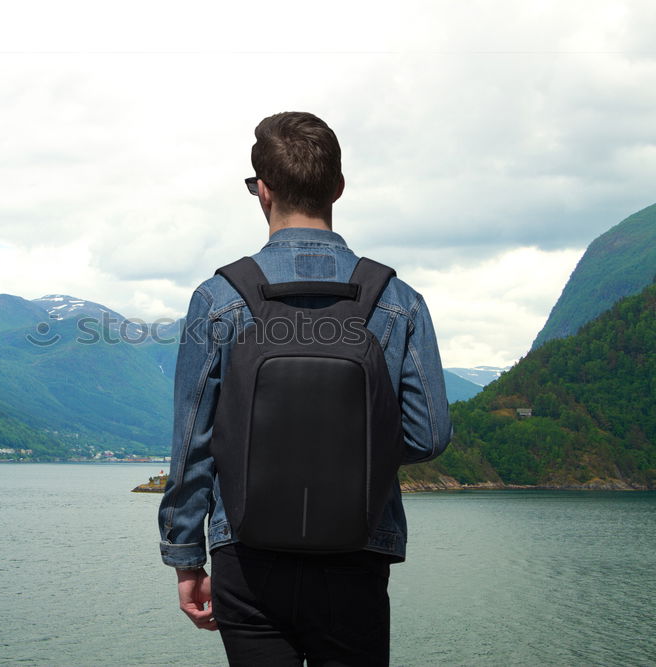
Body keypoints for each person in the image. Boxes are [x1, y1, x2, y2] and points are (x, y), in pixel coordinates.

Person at [158, 111, 452, 665]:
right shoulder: (396, 299)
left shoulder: (219, 298)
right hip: (357, 549)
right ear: (338, 187)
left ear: (262, 191)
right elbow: (430, 434)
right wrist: (351, 451)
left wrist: (186, 559)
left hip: (246, 554)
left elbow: (191, 443)